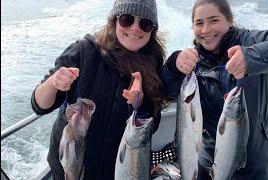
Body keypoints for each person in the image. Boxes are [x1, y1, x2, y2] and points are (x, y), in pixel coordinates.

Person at [160, 0, 268, 179]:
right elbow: (165, 94)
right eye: (199, 23)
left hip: (260, 164)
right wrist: (173, 67)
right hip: (209, 162)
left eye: (214, 20)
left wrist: (253, 58)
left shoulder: (255, 42)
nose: (205, 30)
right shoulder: (192, 63)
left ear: (230, 20)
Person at [31, 0, 167, 179]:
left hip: (118, 171)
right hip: (68, 170)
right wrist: (53, 83)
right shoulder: (84, 52)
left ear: (152, 30)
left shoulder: (153, 64)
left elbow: (153, 123)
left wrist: (139, 105)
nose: (135, 28)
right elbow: (40, 105)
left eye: (145, 23)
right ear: (114, 21)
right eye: (127, 19)